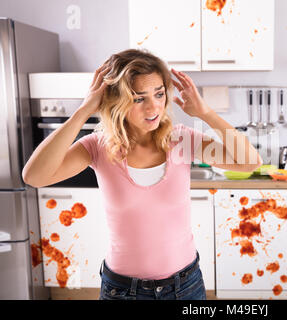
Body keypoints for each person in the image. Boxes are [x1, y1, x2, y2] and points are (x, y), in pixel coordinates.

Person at [22, 49, 262, 300]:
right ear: (117, 101)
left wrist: (205, 113)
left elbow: (249, 162)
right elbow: (34, 177)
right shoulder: (97, 146)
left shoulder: (181, 140)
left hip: (186, 286)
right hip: (123, 291)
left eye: (159, 94)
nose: (154, 106)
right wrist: (83, 111)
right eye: (139, 98)